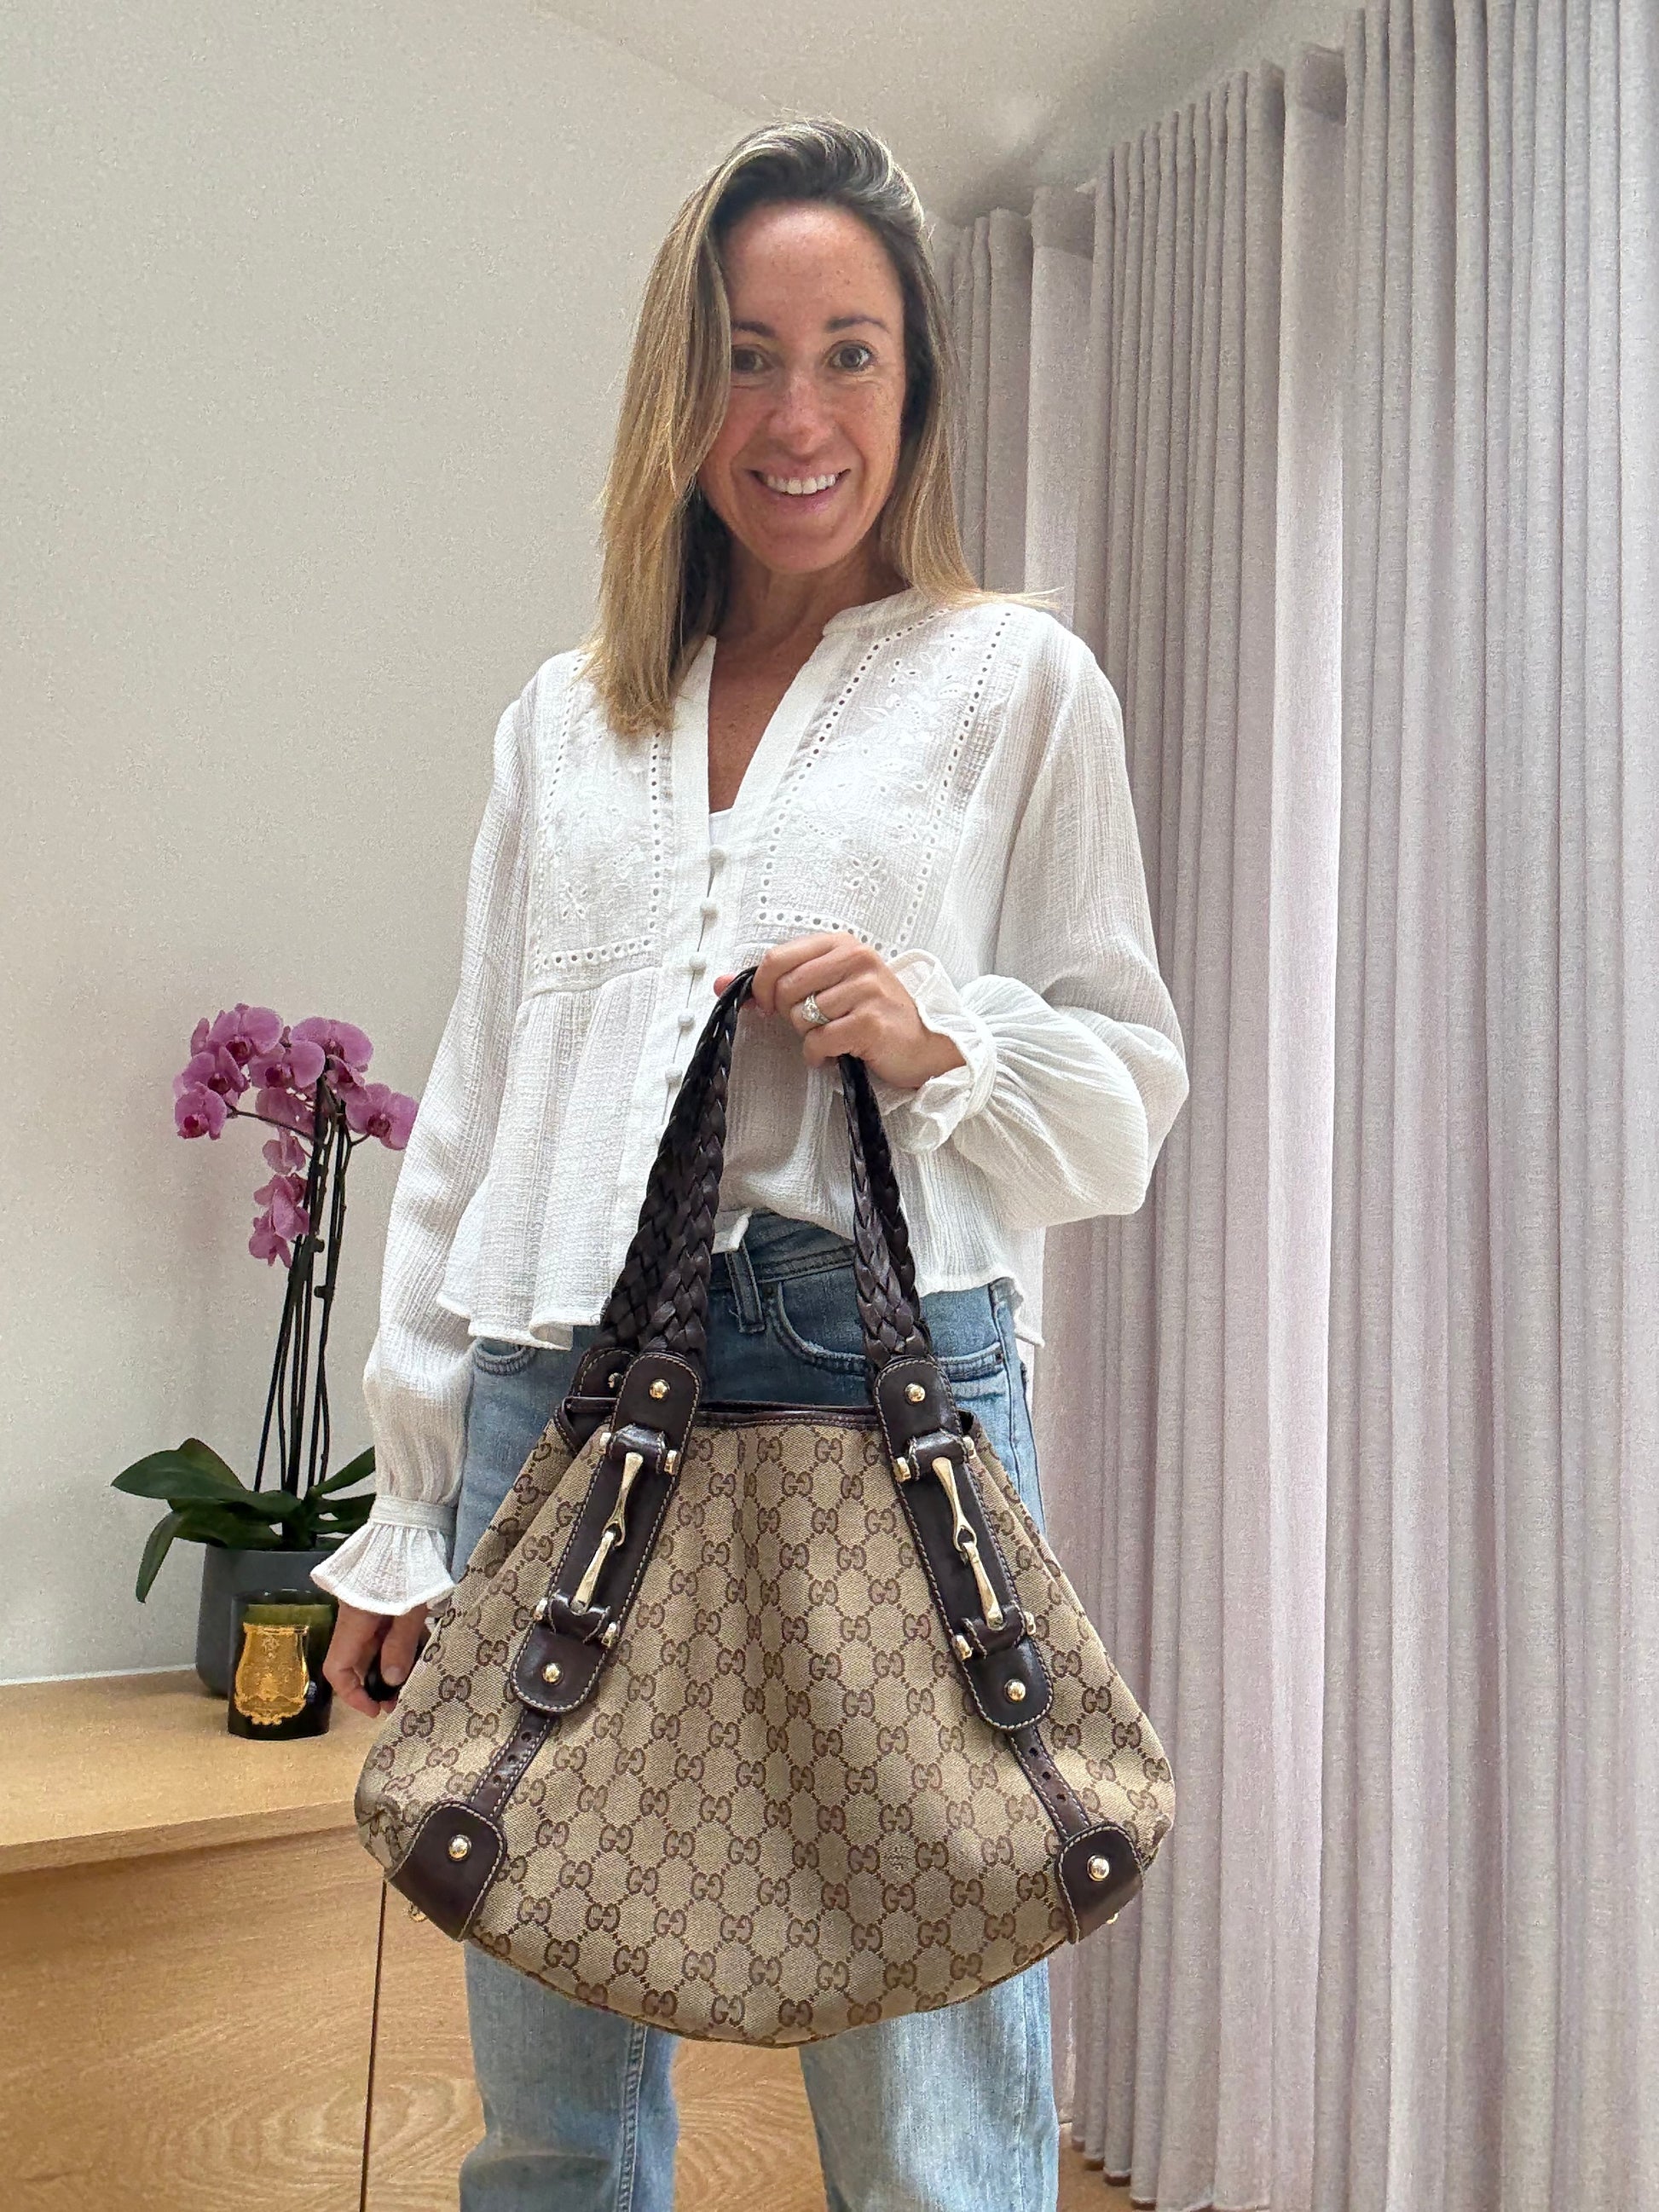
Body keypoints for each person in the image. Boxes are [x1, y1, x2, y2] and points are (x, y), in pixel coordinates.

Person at [316, 116, 1188, 2212]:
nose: (799, 416)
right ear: (675, 391)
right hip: (554, 1389)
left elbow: (1122, 1093)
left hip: (872, 1390)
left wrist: (937, 1030)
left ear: (915, 385)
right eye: (746, 355)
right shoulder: (566, 719)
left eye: (850, 354)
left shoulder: (1012, 683)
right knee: (550, 2107)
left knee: (928, 2130)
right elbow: (480, 1101)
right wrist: (407, 1503)